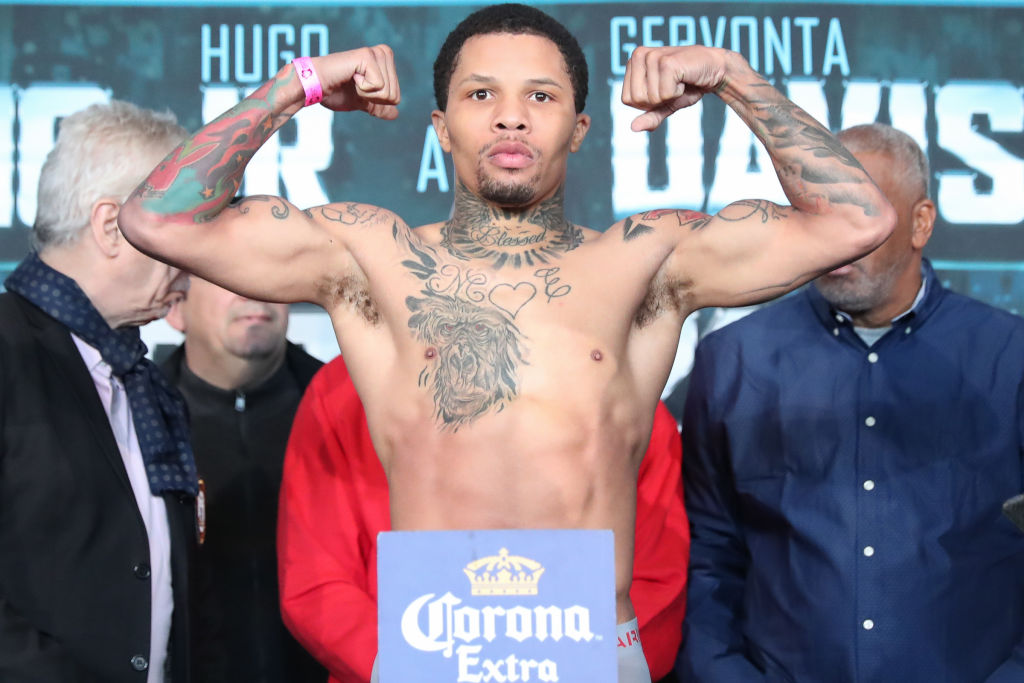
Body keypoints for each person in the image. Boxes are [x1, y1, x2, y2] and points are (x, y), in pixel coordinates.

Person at [118, 4, 895, 679]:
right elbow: (158, 219)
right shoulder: (372, 259)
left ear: (579, 128)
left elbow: (856, 221)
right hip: (433, 645)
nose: (511, 117)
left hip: (592, 647)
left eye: (541, 96)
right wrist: (301, 83)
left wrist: (732, 77)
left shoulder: (646, 263)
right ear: (441, 126)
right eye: (481, 93)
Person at [677, 123, 1024, 681]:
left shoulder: (1011, 358)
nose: (838, 238)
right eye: (820, 212)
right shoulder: (735, 359)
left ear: (920, 223)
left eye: (861, 211)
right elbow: (707, 555)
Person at [276, 355, 689, 682]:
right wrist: (413, 669)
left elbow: (657, 579)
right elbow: (318, 581)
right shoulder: (344, 390)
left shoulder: (620, 395)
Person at [0, 100, 198, 681]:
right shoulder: (8, 350)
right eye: (184, 227)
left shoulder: (147, 385)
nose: (194, 259)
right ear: (112, 226)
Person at [160, 275, 326, 683]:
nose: (252, 289)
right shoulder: (136, 424)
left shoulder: (349, 408)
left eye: (264, 271)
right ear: (176, 306)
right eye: (225, 275)